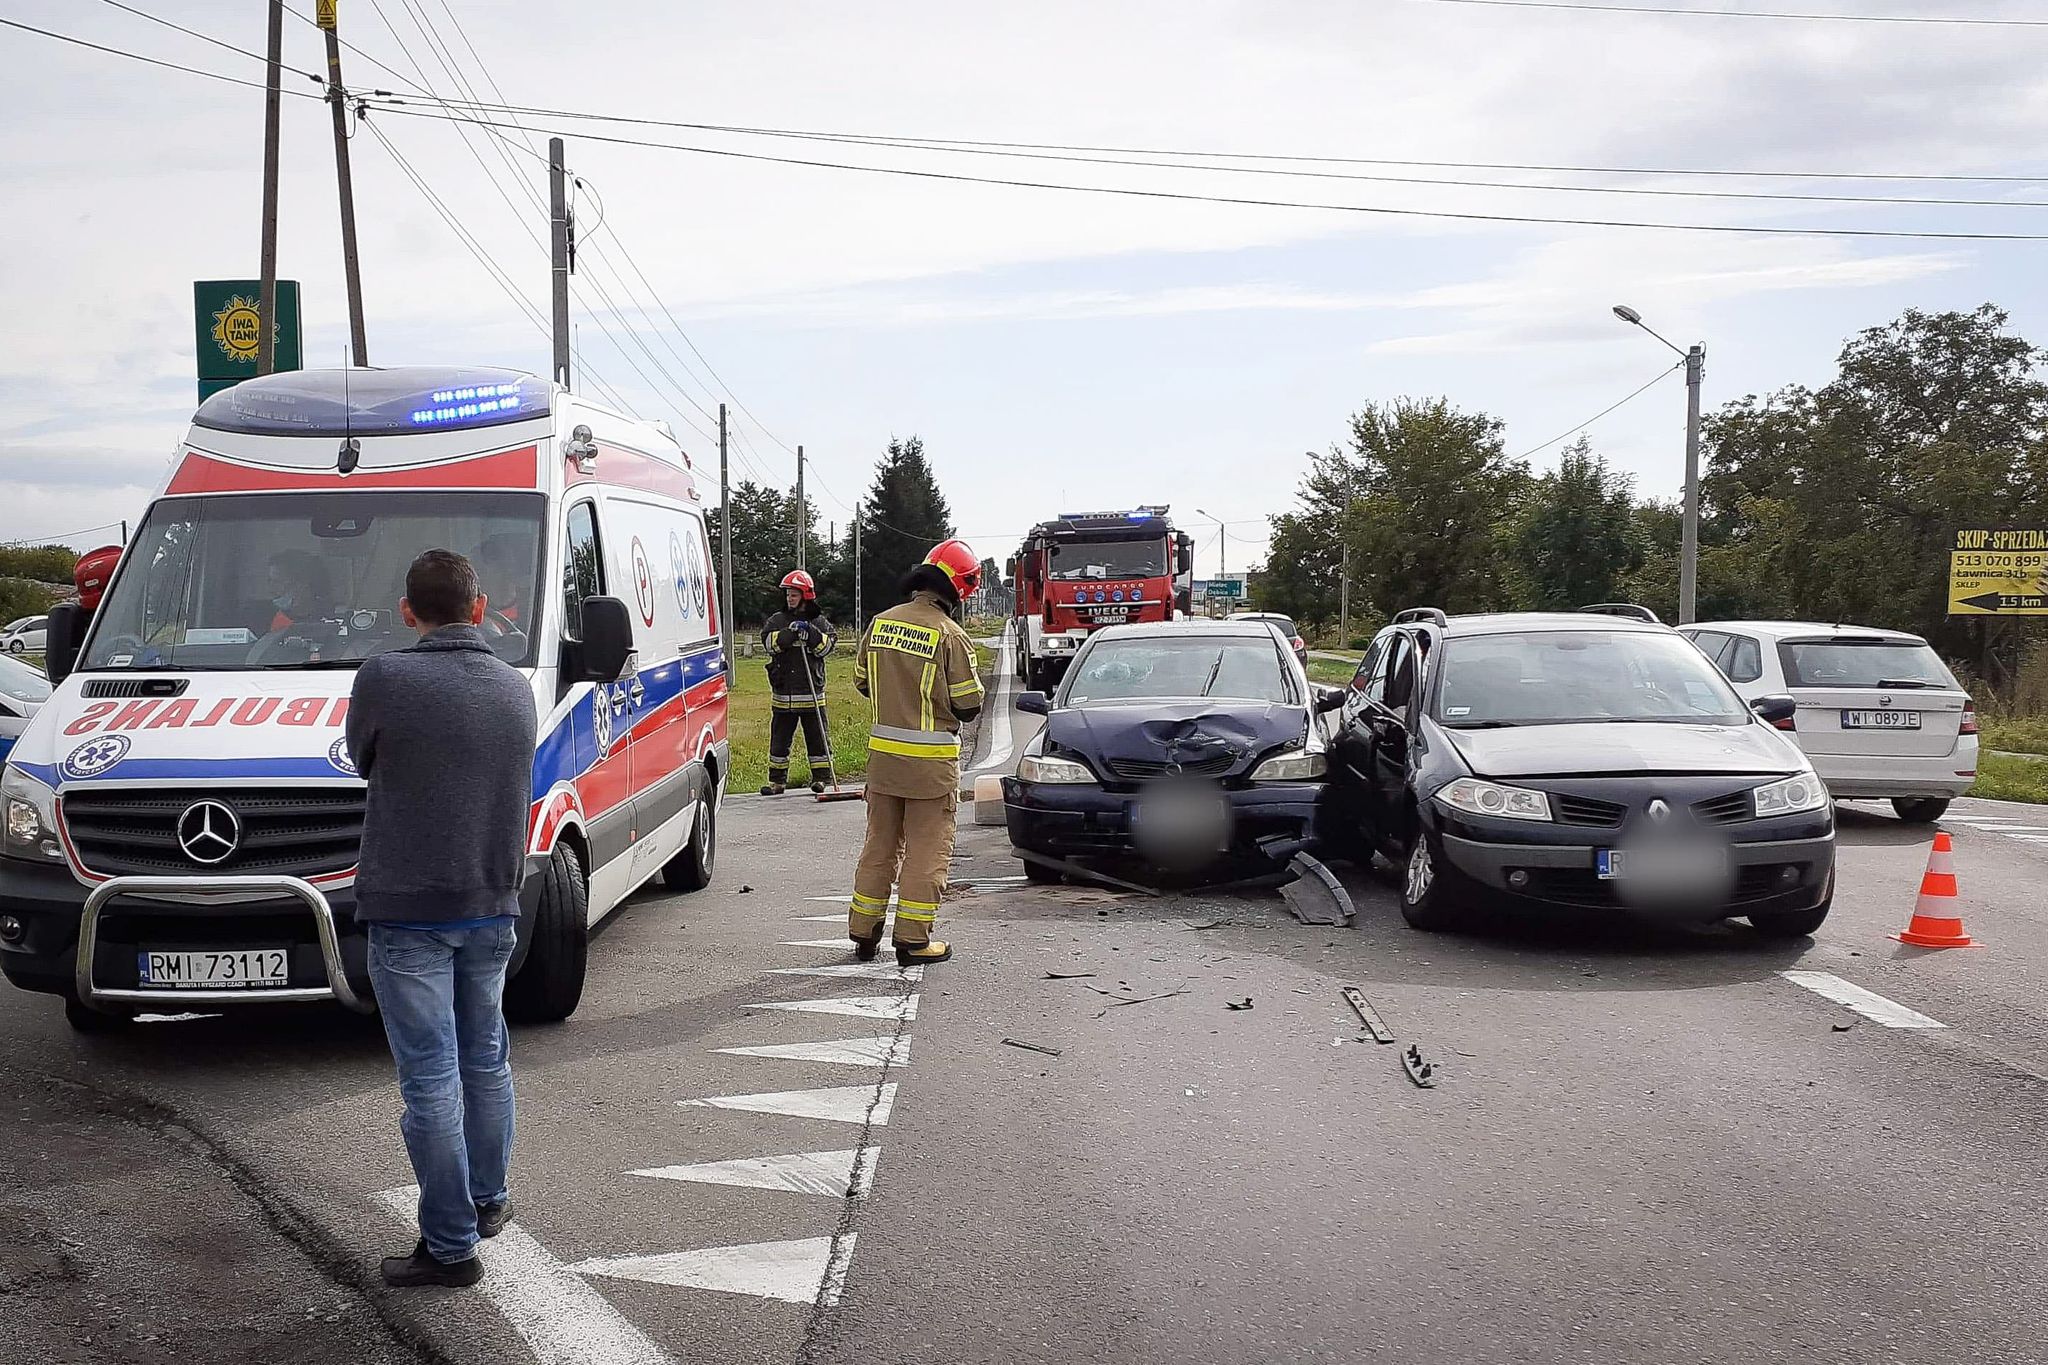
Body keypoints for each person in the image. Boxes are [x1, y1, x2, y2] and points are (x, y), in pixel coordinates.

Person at [346, 549, 538, 1289]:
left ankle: (452, 1246)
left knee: (430, 1079)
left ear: (407, 612)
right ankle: (487, 1198)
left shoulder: (385, 677)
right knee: (486, 1059)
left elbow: (364, 756)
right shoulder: (515, 686)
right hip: (492, 902)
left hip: (408, 907)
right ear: (480, 607)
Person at [848, 540, 985, 966]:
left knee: (879, 846)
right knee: (927, 852)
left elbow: (861, 681)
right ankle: (912, 939)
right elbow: (968, 705)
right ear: (958, 589)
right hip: (930, 769)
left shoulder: (881, 623)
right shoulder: (950, 635)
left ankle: (863, 932)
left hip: (883, 763)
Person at [760, 569, 838, 796]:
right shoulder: (777, 620)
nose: (789, 599)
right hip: (784, 693)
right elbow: (769, 644)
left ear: (805, 596)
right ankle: (777, 782)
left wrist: (811, 633)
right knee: (780, 739)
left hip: (811, 692)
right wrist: (789, 634)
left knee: (817, 739)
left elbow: (826, 647)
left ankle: (821, 779)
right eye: (787, 595)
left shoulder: (819, 622)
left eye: (793, 595)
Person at [266, 550, 331, 633]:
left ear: (303, 584)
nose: (272, 589)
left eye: (278, 582)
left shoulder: (333, 619)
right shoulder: (275, 619)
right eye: (270, 581)